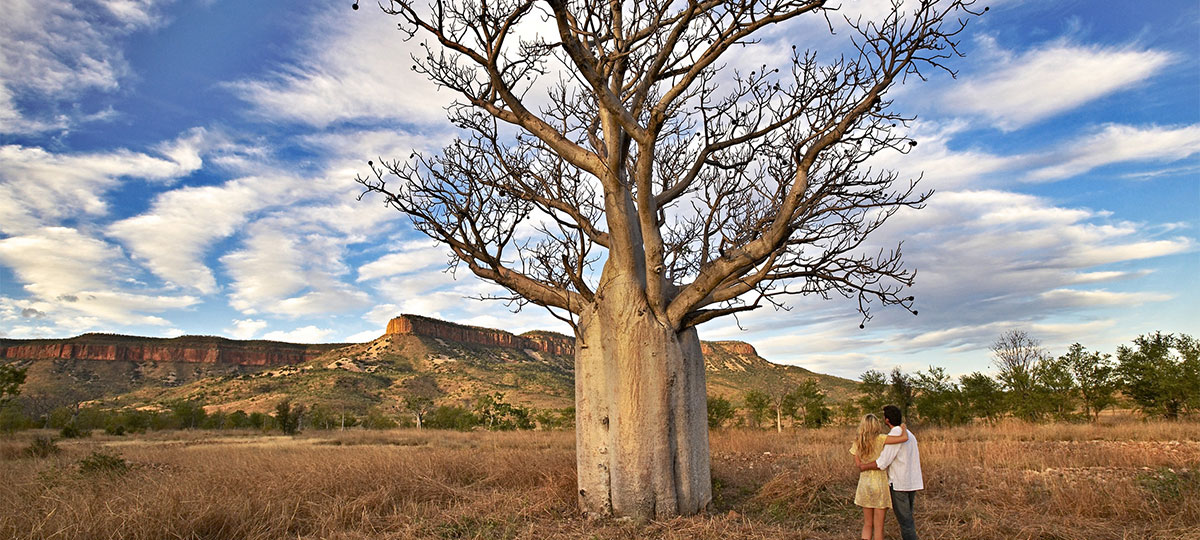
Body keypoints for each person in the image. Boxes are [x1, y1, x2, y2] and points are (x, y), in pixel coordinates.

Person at [859, 405, 924, 540]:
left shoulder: (895, 434)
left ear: (887, 420)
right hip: (912, 482)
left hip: (900, 483)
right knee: (908, 518)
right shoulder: (909, 433)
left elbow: (882, 463)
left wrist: (864, 466)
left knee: (905, 522)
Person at [850, 414, 909, 540]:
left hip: (864, 484)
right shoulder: (881, 439)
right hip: (880, 483)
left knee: (867, 524)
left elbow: (858, 465)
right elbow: (904, 438)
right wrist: (903, 427)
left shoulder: (857, 442)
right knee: (879, 526)